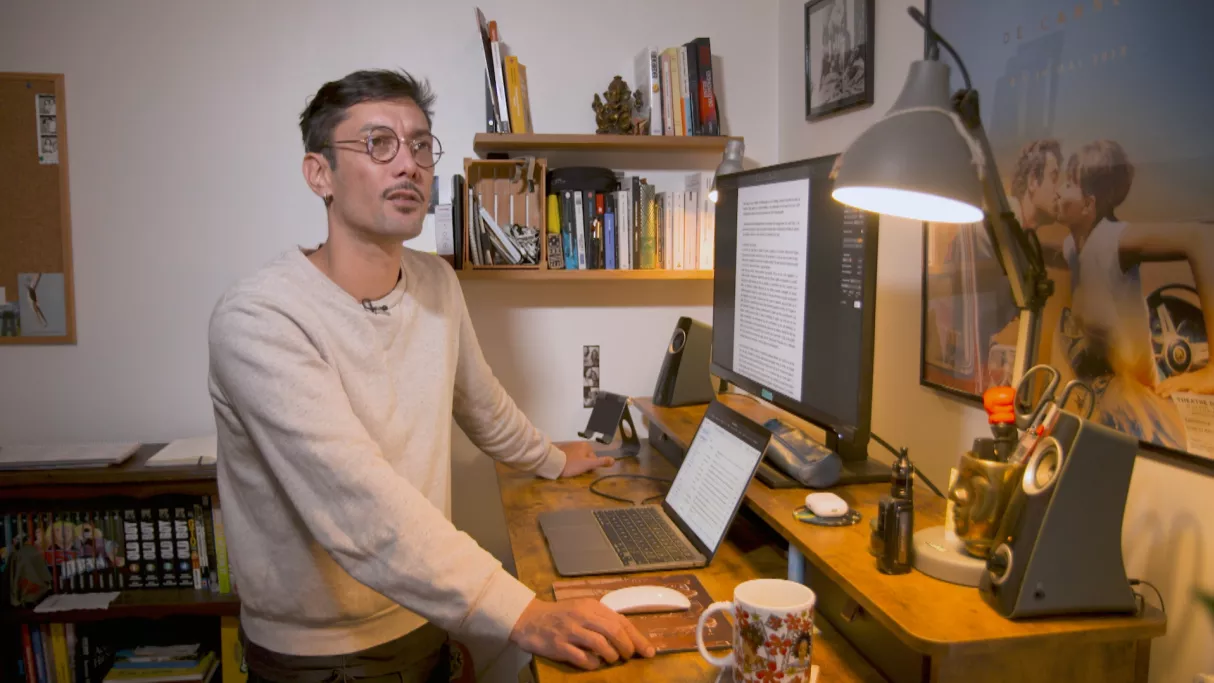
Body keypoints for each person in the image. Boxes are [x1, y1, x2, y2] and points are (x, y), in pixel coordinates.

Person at [207, 69, 654, 683]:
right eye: (378, 143)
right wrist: (522, 612)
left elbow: (481, 404)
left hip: (425, 614)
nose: (408, 165)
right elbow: (358, 504)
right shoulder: (260, 318)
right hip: (323, 656)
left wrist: (552, 458)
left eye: (420, 145)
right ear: (319, 174)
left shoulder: (436, 281)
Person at [1055, 139, 1214, 448]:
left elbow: (1201, 238)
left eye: (1069, 184)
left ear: (1088, 204)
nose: (1059, 191)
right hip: (1103, 400)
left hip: (1140, 409)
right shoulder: (1072, 247)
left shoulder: (1114, 240)